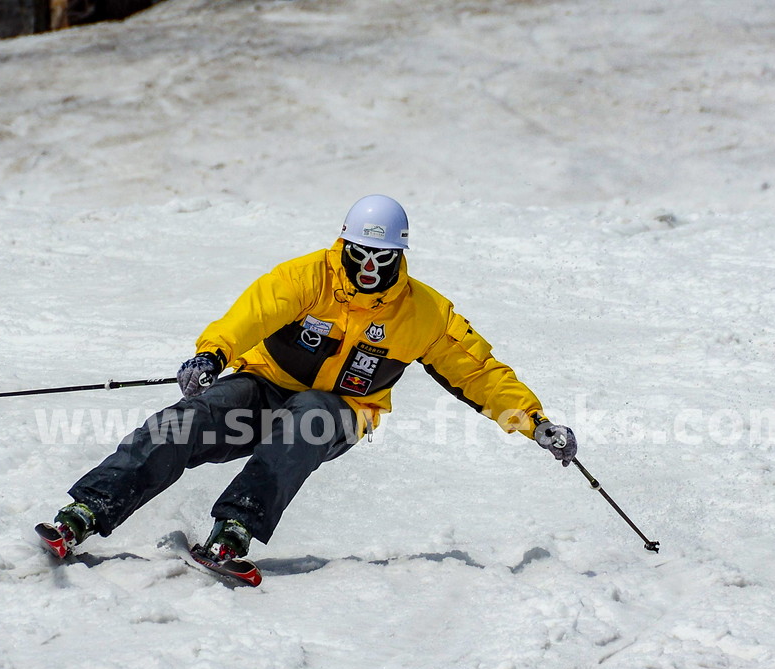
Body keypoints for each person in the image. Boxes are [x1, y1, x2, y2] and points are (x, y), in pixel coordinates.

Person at [38, 195, 577, 583]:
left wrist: (534, 422)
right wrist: (213, 354)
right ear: (343, 244)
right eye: (360, 253)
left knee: (310, 418)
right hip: (263, 386)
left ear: (399, 256)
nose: (369, 267)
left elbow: (477, 372)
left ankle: (234, 529)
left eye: (381, 258)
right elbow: (254, 312)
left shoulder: (425, 313)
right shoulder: (306, 277)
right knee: (194, 417)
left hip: (343, 409)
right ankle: (86, 512)